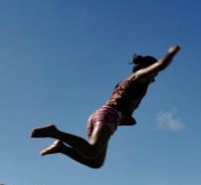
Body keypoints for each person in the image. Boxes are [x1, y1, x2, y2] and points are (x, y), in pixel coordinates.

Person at [32, 45, 181, 169]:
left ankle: (62, 148)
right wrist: (171, 53)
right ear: (148, 70)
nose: (154, 79)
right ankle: (54, 132)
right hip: (108, 115)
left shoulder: (130, 83)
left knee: (95, 161)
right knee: (92, 150)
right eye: (154, 75)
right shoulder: (138, 77)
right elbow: (160, 65)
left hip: (106, 118)